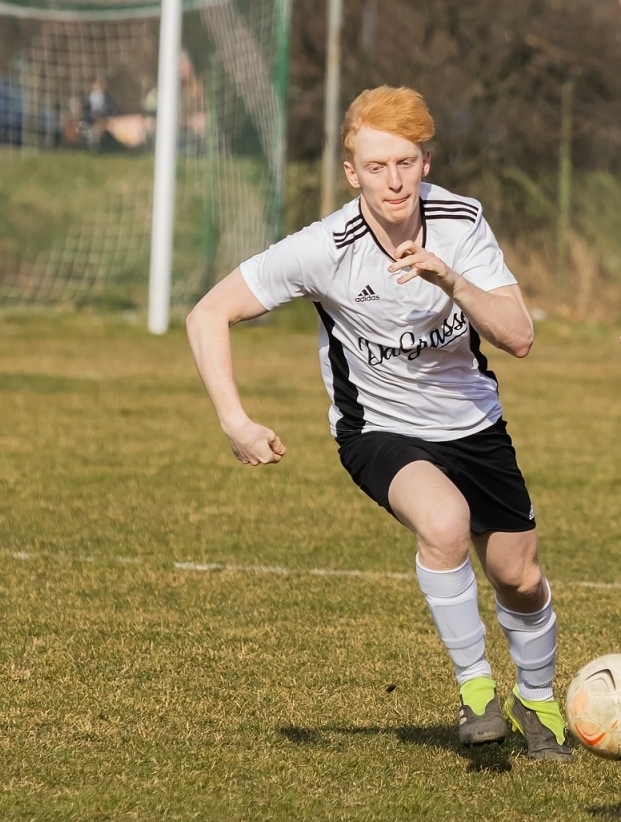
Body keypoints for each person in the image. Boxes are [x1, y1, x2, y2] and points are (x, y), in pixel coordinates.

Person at [186, 86, 572, 762]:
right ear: (351, 172)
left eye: (405, 162)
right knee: (445, 524)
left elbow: (518, 337)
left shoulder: (461, 221)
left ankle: (536, 699)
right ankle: (476, 691)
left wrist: (450, 279)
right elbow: (207, 313)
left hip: (474, 426)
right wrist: (235, 419)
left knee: (518, 575)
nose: (393, 180)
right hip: (378, 429)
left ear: (426, 161)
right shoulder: (324, 249)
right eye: (376, 166)